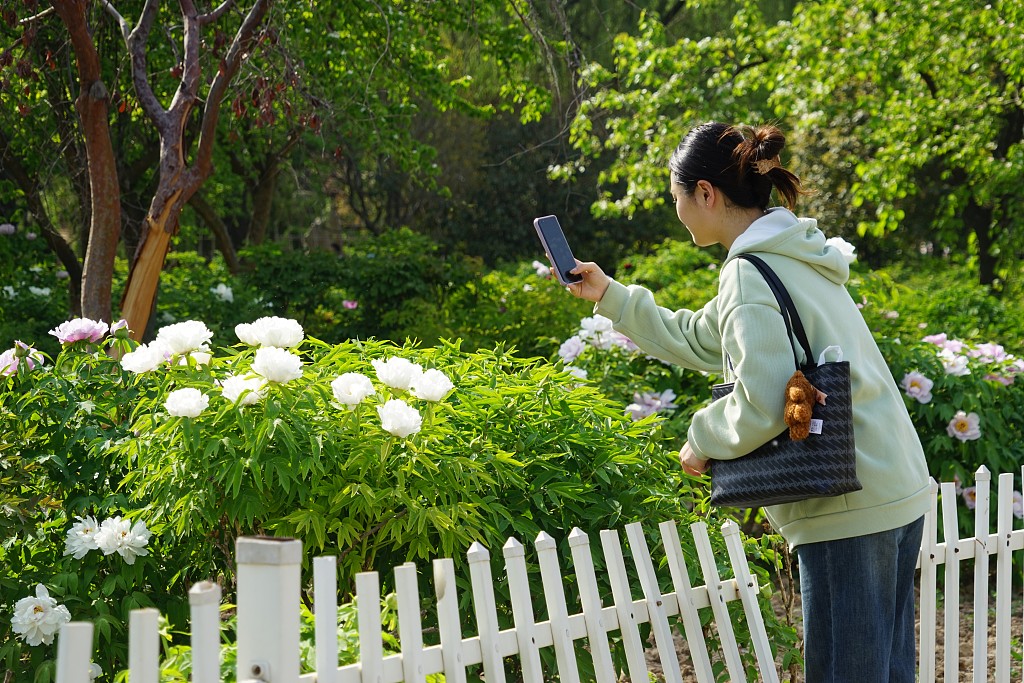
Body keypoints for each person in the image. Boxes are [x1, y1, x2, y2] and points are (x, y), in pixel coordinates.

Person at [565, 122, 931, 682]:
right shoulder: (790, 254)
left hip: (847, 506)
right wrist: (610, 296)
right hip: (890, 481)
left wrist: (700, 439)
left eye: (677, 199)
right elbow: (701, 338)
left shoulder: (749, 272)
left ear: (705, 193)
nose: (678, 212)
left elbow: (763, 402)